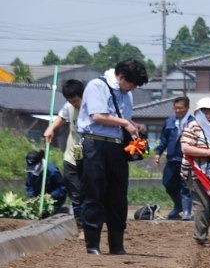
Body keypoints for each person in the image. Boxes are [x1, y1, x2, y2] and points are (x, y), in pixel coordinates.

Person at [78, 59, 149, 255]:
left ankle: (117, 245)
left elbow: (122, 118)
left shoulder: (127, 94)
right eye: (132, 84)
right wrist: (125, 124)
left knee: (118, 196)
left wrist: (134, 125)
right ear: (121, 77)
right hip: (95, 144)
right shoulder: (97, 86)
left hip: (117, 148)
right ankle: (92, 245)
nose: (133, 88)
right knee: (94, 194)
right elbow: (98, 116)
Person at [180, 97, 210, 247]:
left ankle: (203, 234)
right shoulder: (193, 127)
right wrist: (209, 152)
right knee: (202, 203)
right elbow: (185, 148)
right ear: (199, 113)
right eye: (206, 112)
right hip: (195, 171)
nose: (209, 115)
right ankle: (200, 236)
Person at [41, 79, 84, 229]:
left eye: (76, 101)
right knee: (75, 192)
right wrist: (51, 128)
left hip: (90, 157)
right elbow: (62, 117)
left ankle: (91, 223)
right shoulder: (69, 107)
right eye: (70, 101)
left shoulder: (92, 106)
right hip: (72, 156)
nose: (74, 104)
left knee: (89, 193)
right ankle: (81, 226)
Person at [153, 96, 192, 220]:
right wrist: (158, 153)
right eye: (175, 108)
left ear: (187, 108)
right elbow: (164, 140)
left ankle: (186, 211)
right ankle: (178, 206)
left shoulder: (193, 123)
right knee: (168, 183)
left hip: (187, 159)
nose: (177, 110)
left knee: (186, 185)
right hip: (172, 159)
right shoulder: (169, 122)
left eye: (180, 108)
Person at [24, 150, 67, 215]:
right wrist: (32, 196)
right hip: (38, 199)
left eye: (34, 166)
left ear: (40, 163)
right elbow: (29, 185)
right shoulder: (31, 170)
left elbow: (62, 188)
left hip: (55, 200)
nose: (32, 170)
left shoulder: (52, 171)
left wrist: (51, 195)